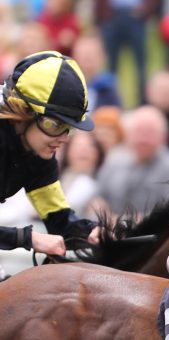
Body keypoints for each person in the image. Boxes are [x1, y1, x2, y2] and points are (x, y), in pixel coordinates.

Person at [0, 51, 99, 257]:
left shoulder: (38, 153)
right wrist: (29, 238)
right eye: (54, 125)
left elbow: (58, 219)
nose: (63, 139)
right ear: (23, 112)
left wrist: (92, 232)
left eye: (69, 128)